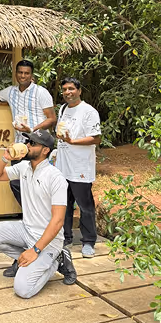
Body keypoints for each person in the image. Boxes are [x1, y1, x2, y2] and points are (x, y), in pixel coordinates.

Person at [0, 59, 56, 275]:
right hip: (18, 149)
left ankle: (43, 234)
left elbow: (51, 118)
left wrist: (33, 129)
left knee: (39, 187)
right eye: (20, 73)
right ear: (16, 73)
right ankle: (30, 231)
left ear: (32, 75)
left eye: (26, 73)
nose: (23, 76)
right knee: (16, 184)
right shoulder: (10, 92)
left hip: (37, 147)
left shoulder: (41, 92)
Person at [0, 130, 77, 299]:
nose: (27, 146)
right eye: (27, 142)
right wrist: (5, 158)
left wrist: (35, 250)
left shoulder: (55, 177)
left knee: (23, 290)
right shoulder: (24, 167)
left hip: (48, 241)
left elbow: (58, 220)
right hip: (26, 230)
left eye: (32, 143)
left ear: (45, 150)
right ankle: (25, 259)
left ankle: (56, 260)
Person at [55, 77, 101, 258]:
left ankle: (89, 241)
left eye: (71, 89)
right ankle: (65, 237)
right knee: (63, 205)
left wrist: (72, 141)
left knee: (85, 206)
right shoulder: (63, 109)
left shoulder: (89, 111)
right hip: (62, 167)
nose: (68, 92)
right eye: (65, 89)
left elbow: (96, 138)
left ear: (79, 91)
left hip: (80, 167)